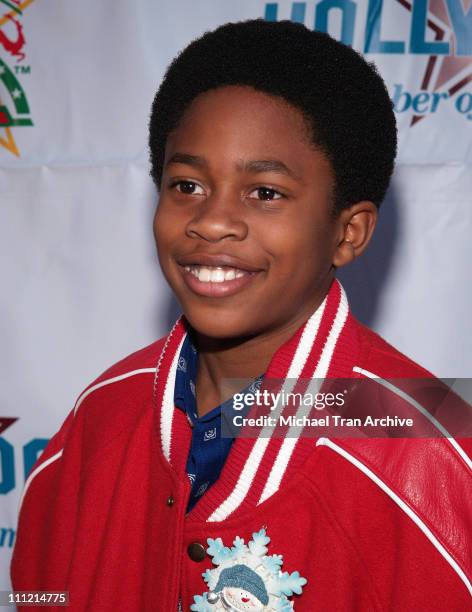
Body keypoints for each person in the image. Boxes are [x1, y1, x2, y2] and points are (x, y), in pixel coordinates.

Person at [11, 19, 471, 611]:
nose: (212, 220)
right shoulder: (103, 412)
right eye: (186, 185)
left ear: (348, 232)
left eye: (265, 193)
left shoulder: (428, 449)